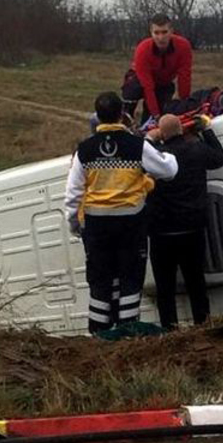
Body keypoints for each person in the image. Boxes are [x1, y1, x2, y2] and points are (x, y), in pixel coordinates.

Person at [64, 91, 178, 335]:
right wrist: (164, 151)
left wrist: (75, 225)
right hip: (130, 224)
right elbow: (168, 170)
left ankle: (99, 332)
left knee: (100, 280)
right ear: (122, 115)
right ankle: (128, 332)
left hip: (96, 226)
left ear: (98, 116)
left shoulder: (84, 150)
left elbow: (73, 195)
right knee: (130, 277)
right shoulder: (136, 146)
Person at [147, 115, 223, 329]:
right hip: (192, 228)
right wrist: (207, 131)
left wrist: (149, 138)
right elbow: (220, 158)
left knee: (165, 288)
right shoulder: (197, 149)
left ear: (162, 133)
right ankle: (203, 324)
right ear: (182, 130)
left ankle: (169, 330)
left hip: (162, 233)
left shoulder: (158, 156)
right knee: (196, 282)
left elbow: (139, 160)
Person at [123, 13, 193, 125]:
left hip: (164, 83)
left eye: (164, 32)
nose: (161, 38)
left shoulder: (183, 46)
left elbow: (184, 78)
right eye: (156, 33)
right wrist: (156, 115)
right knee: (132, 88)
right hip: (140, 80)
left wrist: (185, 107)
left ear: (171, 31)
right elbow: (147, 86)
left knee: (155, 119)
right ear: (151, 33)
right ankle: (125, 116)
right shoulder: (143, 49)